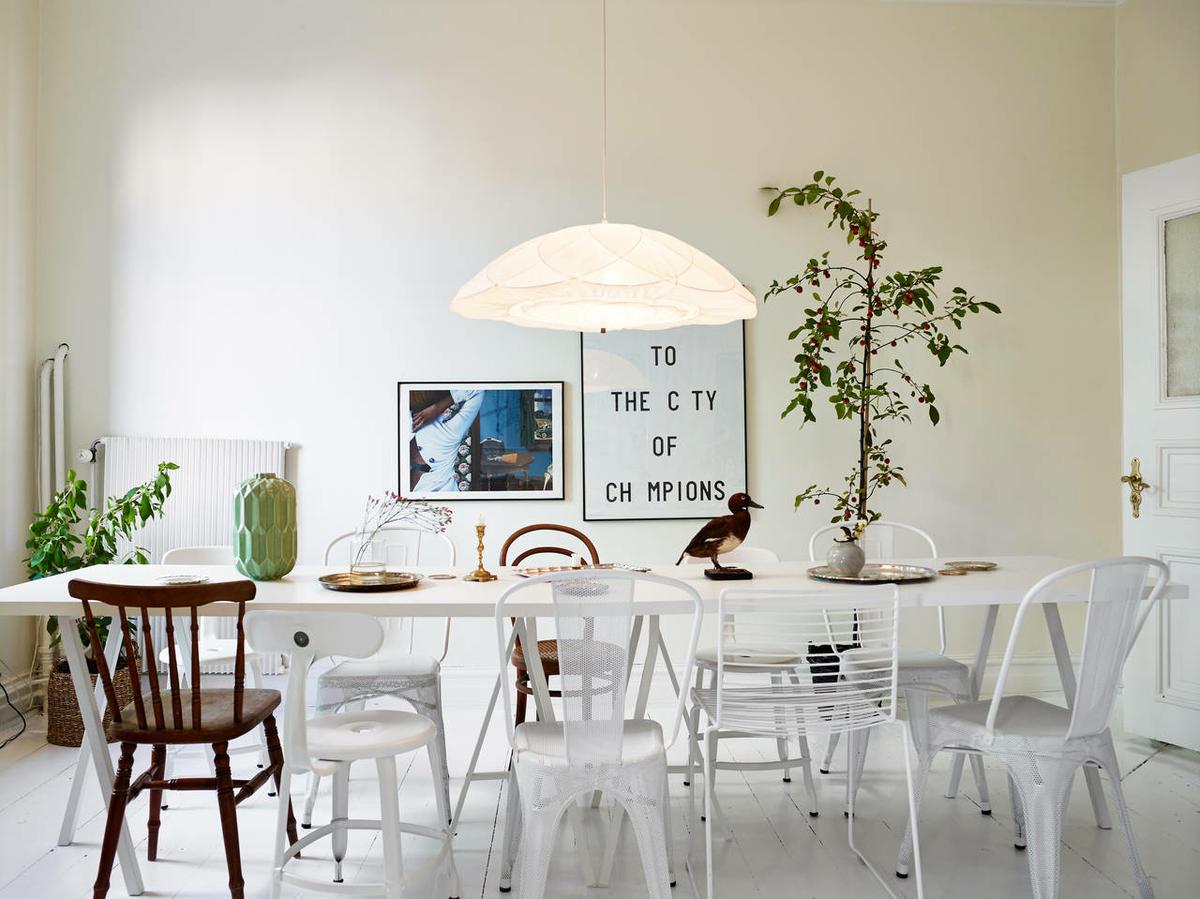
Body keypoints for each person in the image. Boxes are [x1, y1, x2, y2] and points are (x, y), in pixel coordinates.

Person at [411, 389, 483, 493]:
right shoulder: (449, 432)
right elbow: (478, 391)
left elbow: (478, 390)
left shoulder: (449, 431)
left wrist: (437, 408)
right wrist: (438, 407)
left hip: (439, 490)